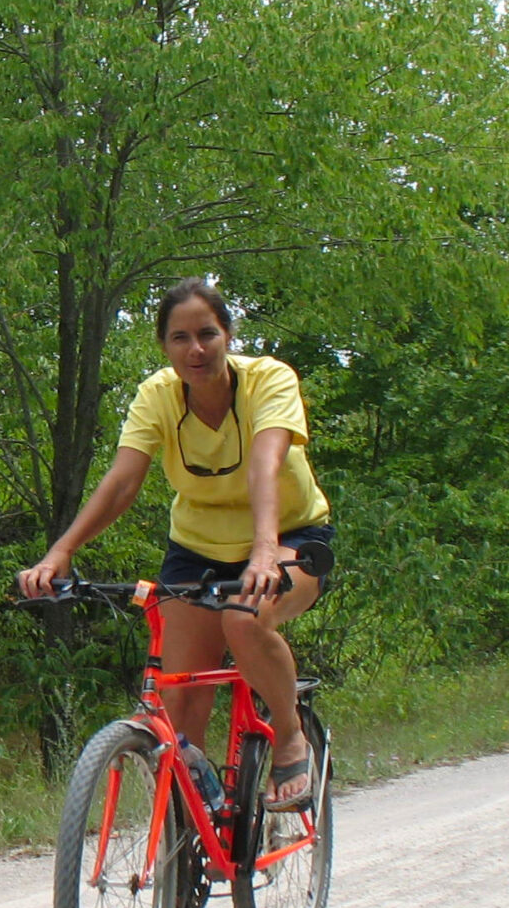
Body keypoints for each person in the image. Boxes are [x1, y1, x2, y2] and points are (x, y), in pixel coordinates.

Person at [17, 277, 332, 810]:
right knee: (178, 719)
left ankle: (289, 731)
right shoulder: (158, 396)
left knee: (244, 616)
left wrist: (262, 550)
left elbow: (265, 464)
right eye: (180, 337)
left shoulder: (268, 381)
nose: (196, 349)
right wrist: (60, 552)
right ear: (164, 345)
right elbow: (122, 481)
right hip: (198, 550)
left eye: (207, 333)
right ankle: (188, 852)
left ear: (228, 335)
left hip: (287, 536)